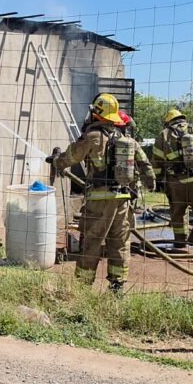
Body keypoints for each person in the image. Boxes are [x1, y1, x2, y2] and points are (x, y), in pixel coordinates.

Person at [48, 94, 155, 291]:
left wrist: (56, 161)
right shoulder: (126, 139)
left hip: (99, 200)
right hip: (123, 199)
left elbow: (70, 157)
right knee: (119, 243)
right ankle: (117, 286)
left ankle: (82, 286)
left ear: (96, 114)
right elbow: (145, 164)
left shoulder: (93, 137)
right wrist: (151, 184)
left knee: (92, 242)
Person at [151, 108, 193, 246]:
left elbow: (156, 161)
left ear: (167, 122)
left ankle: (179, 240)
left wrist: (159, 180)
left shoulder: (164, 135)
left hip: (176, 181)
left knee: (178, 210)